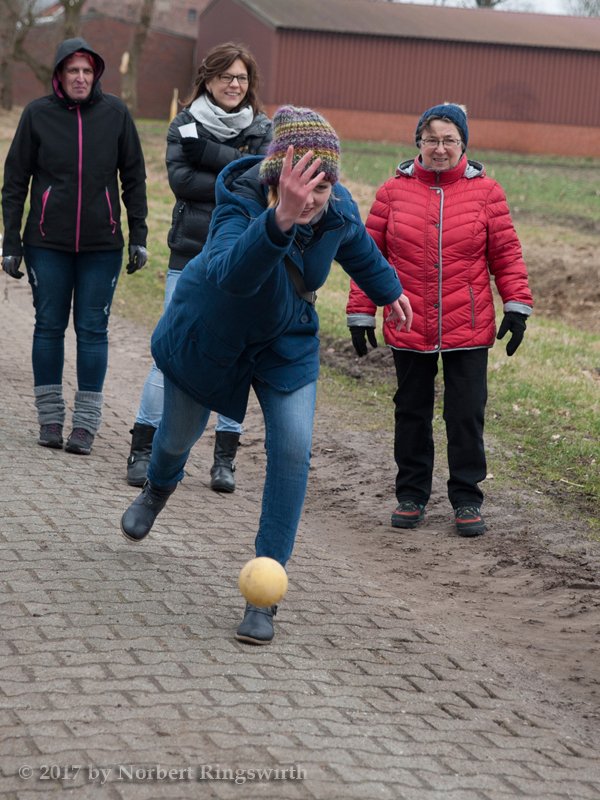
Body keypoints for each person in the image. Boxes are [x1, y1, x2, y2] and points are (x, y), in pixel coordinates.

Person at [119, 106, 413, 644]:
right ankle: (157, 489)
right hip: (214, 335)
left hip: (285, 339)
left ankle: (265, 590)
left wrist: (389, 290)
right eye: (302, 186)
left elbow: (357, 246)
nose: (314, 198)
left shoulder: (337, 207)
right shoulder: (239, 201)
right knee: (178, 436)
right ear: (276, 178)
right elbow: (231, 275)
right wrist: (279, 220)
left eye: (323, 185)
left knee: (293, 449)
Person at [346, 102, 533, 537]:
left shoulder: (487, 193)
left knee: (465, 414)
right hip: (408, 320)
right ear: (419, 142)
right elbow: (368, 257)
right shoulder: (392, 192)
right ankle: (411, 495)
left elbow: (506, 255)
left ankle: (467, 498)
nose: (440, 148)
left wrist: (517, 306)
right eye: (431, 139)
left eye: (450, 139)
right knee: (411, 412)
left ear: (463, 144)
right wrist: (361, 311)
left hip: (468, 324)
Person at [125, 42, 272, 491]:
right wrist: (236, 166)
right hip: (190, 251)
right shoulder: (183, 123)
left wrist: (205, 152)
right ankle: (143, 449)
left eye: (242, 78)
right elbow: (182, 181)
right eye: (226, 76)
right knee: (170, 354)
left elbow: (260, 183)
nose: (234, 84)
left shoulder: (263, 127)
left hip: (243, 257)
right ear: (208, 79)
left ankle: (224, 460)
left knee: (238, 359)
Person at [1, 37, 148, 456]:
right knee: (48, 326)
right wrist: (11, 241)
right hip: (47, 243)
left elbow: (134, 178)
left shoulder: (116, 114)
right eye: (73, 71)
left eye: (87, 71)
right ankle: (50, 419)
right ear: (60, 76)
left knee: (92, 330)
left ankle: (84, 426)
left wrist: (139, 235)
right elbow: (14, 182)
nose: (80, 77)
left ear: (95, 74)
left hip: (103, 246)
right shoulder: (37, 115)